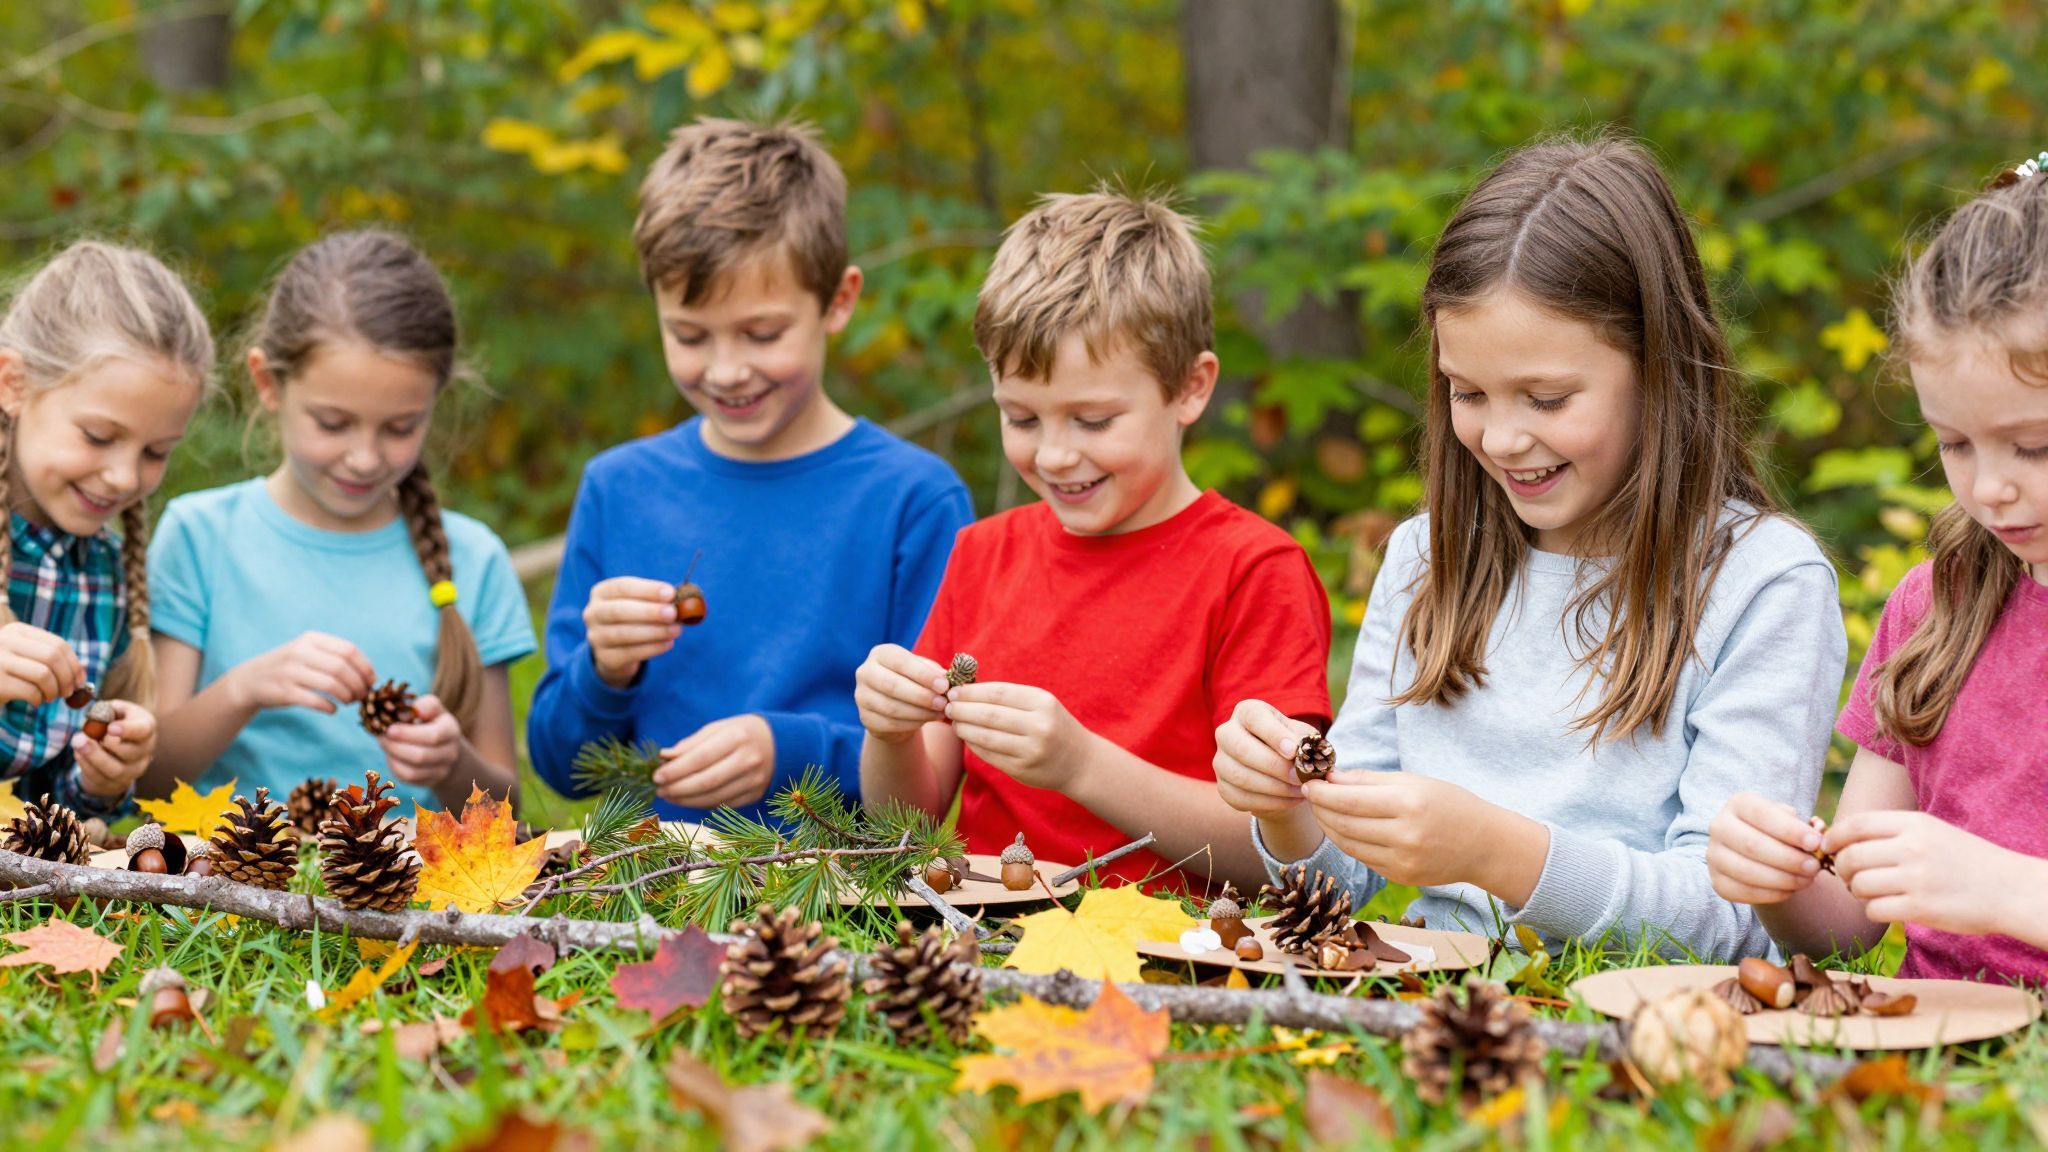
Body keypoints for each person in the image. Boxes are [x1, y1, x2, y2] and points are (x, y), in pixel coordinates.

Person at [1215, 137, 1845, 956]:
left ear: (1660, 368)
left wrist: (1500, 854)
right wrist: (1285, 808)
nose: (1503, 437)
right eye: (1468, 393)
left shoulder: (1763, 585)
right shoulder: (1426, 560)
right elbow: (1341, 884)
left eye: (1545, 398)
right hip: (1433, 1010)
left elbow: (1731, 920)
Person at [857, 188, 1333, 893]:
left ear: (1191, 389)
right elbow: (905, 825)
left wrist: (1081, 765)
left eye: (1093, 420)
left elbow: (1275, 851)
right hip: (988, 936)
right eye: (1022, 418)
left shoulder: (1253, 570)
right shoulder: (983, 555)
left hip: (1174, 954)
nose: (1052, 456)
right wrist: (889, 732)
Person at [526, 118, 972, 822]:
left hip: (840, 911)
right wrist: (603, 670)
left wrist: (789, 749)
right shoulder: (620, 490)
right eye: (690, 336)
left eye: (762, 334)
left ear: (839, 301)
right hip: (648, 902)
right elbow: (559, 766)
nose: (727, 370)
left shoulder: (913, 502)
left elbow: (925, 802)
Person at [1708, 153, 2048, 979]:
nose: (1990, 488)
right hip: (1933, 1062)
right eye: (1954, 443)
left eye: (2035, 445)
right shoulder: (1938, 609)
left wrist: (2007, 891)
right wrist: (1777, 883)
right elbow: (1846, 928)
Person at [149, 231, 533, 811]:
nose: (364, 457)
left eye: (400, 428)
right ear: (268, 384)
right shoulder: (198, 536)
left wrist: (453, 764)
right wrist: (243, 689)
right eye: (332, 423)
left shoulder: (473, 559)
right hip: (224, 882)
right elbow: (147, 780)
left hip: (409, 889)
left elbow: (505, 804)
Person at [0, 240, 213, 818]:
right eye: (98, 436)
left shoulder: (104, 574)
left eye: (156, 451)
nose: (123, 477)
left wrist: (100, 777)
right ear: (13, 384)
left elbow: (45, 802)